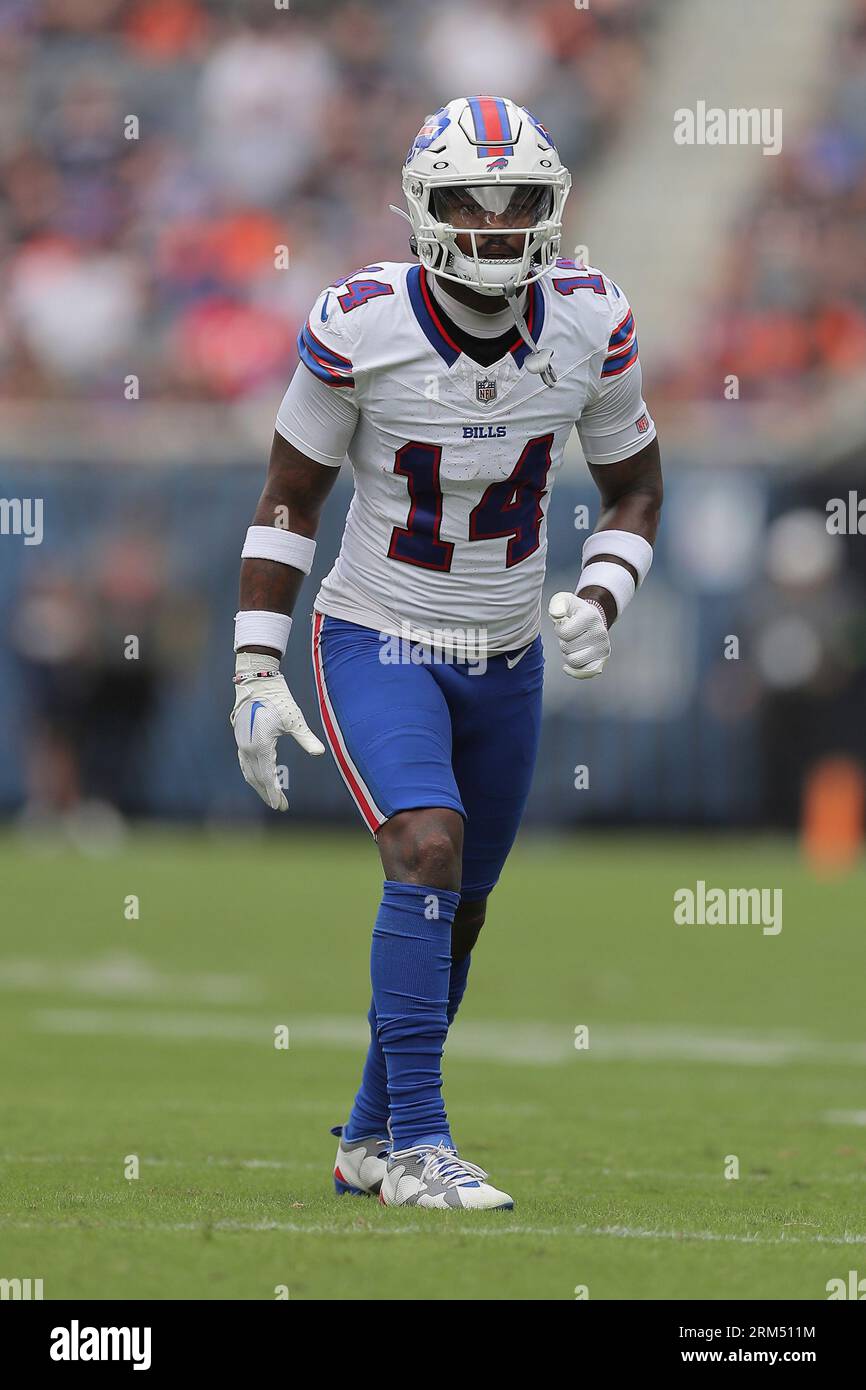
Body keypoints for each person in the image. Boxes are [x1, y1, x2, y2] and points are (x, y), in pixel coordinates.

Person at [230, 97, 663, 1209]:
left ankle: (366, 1140)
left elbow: (633, 488)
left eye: (518, 198)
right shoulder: (359, 322)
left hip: (505, 649)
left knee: (458, 905)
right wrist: (253, 663)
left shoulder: (587, 320)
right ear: (423, 209)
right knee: (425, 848)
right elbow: (289, 497)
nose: (497, 220)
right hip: (378, 631)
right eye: (471, 198)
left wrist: (604, 593)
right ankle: (421, 1146)